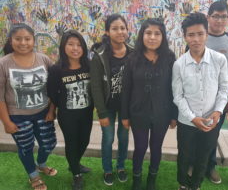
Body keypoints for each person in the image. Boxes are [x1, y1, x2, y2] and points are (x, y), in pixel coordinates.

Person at [172, 13, 228, 190]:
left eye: (200, 34)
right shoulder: (179, 64)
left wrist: (218, 111)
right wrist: (192, 118)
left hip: (210, 121)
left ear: (207, 34)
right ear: (185, 36)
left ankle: (196, 185)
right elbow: (178, 96)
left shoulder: (219, 60)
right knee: (185, 155)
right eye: (191, 35)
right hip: (186, 122)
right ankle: (183, 184)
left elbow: (223, 88)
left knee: (203, 155)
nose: (196, 39)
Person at [121, 18, 177, 190]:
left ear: (163, 36)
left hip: (162, 113)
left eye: (157, 33)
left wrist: (174, 115)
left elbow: (174, 88)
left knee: (156, 147)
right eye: (148, 33)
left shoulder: (169, 57)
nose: (152, 37)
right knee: (140, 147)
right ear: (142, 35)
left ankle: (152, 178)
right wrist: (124, 115)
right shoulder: (132, 58)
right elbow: (126, 89)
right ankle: (137, 178)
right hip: (138, 113)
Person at [0, 23, 57, 190]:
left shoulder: (44, 59)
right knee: (25, 147)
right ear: (11, 41)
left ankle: (41, 163)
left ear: (33, 40)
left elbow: (54, 87)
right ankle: (34, 176)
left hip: (43, 113)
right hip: (17, 116)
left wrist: (52, 110)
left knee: (48, 144)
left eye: (27, 39)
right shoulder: (3, 64)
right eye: (18, 39)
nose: (23, 43)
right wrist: (6, 122)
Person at [47, 30, 93, 190]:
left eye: (79, 45)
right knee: (72, 144)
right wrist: (53, 110)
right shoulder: (57, 69)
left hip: (86, 113)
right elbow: (52, 92)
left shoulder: (89, 65)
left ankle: (74, 164)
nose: (75, 48)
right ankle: (76, 174)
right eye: (71, 44)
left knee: (85, 141)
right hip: (67, 115)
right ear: (63, 47)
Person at [90, 14, 133, 186]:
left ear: (127, 30)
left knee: (123, 138)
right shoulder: (99, 56)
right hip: (107, 106)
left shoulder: (133, 53)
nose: (119, 32)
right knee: (108, 138)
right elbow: (96, 87)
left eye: (122, 28)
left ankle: (120, 166)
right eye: (115, 28)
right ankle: (107, 169)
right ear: (107, 32)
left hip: (126, 107)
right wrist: (101, 113)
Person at [205, 1, 228, 184]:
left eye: (223, 16)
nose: (219, 20)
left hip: (220, 98)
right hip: (199, 96)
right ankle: (195, 163)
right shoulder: (199, 36)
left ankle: (210, 166)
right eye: (216, 16)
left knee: (213, 133)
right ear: (208, 17)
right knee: (196, 131)